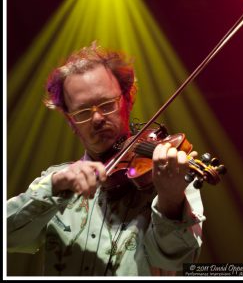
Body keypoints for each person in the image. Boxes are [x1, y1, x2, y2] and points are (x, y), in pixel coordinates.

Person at [7, 41, 205, 276]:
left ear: (128, 98)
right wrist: (55, 186)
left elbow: (176, 261)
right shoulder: (55, 183)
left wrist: (171, 200)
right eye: (82, 112)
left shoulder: (171, 177)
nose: (98, 118)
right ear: (70, 121)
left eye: (107, 104)